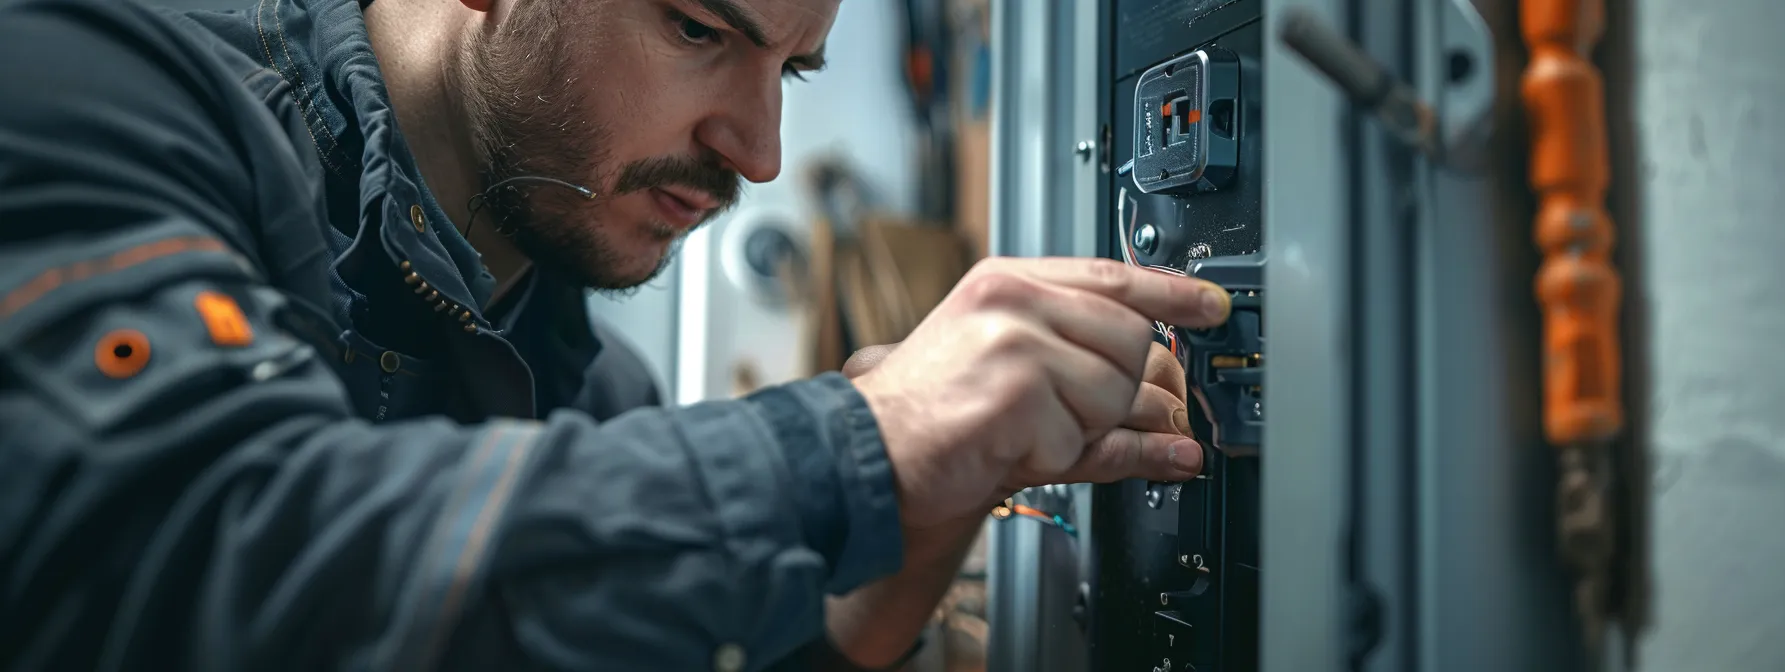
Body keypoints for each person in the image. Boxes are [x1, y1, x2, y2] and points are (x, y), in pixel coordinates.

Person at [0, 0, 1233, 669]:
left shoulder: (582, 391)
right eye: (701, 30)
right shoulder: (96, 82)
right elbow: (185, 547)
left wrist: (943, 474)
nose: (757, 151)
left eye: (792, 71)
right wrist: (861, 439)